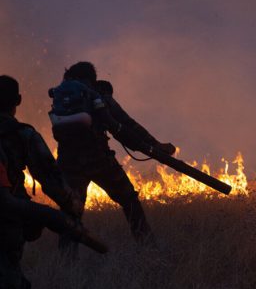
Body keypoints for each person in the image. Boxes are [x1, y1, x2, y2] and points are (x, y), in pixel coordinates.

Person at [0, 75, 103, 289]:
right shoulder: (22, 135)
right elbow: (52, 181)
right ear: (18, 100)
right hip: (5, 228)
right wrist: (69, 210)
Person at [49, 62, 175, 249]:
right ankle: (148, 247)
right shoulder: (98, 97)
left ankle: (66, 262)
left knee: (71, 213)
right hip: (100, 161)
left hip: (69, 164)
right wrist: (154, 146)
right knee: (129, 200)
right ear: (92, 79)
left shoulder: (63, 99)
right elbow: (127, 125)